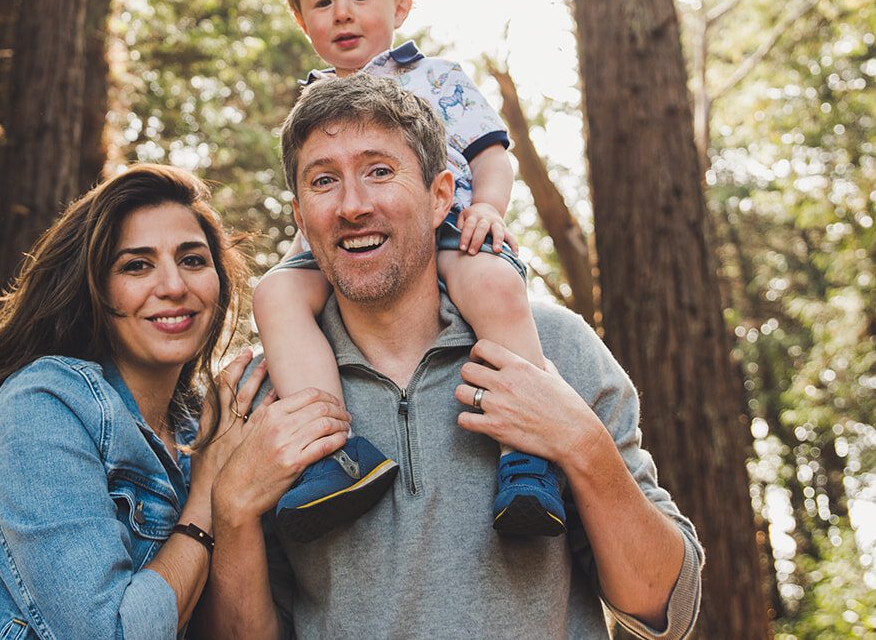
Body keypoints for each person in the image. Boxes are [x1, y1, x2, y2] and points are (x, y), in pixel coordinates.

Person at [199, 75, 703, 639]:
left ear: (441, 196)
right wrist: (234, 511)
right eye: (324, 181)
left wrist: (582, 445)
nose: (352, 205)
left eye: (380, 171)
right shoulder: (262, 396)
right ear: (300, 215)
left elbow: (667, 608)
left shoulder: (554, 348)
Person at [0, 164, 349, 639]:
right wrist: (210, 493)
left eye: (192, 260)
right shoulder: (42, 408)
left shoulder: (208, 423)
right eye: (136, 265)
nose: (173, 286)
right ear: (93, 287)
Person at [253, 0, 566, 541]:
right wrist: (292, 274)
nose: (343, 14)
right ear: (302, 20)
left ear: (400, 6)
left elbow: (490, 155)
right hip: (347, 242)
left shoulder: (438, 78)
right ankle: (334, 455)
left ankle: (528, 454)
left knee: (496, 288)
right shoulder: (311, 104)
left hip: (449, 228)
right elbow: (317, 197)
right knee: (274, 295)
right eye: (322, 2)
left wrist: (492, 210)